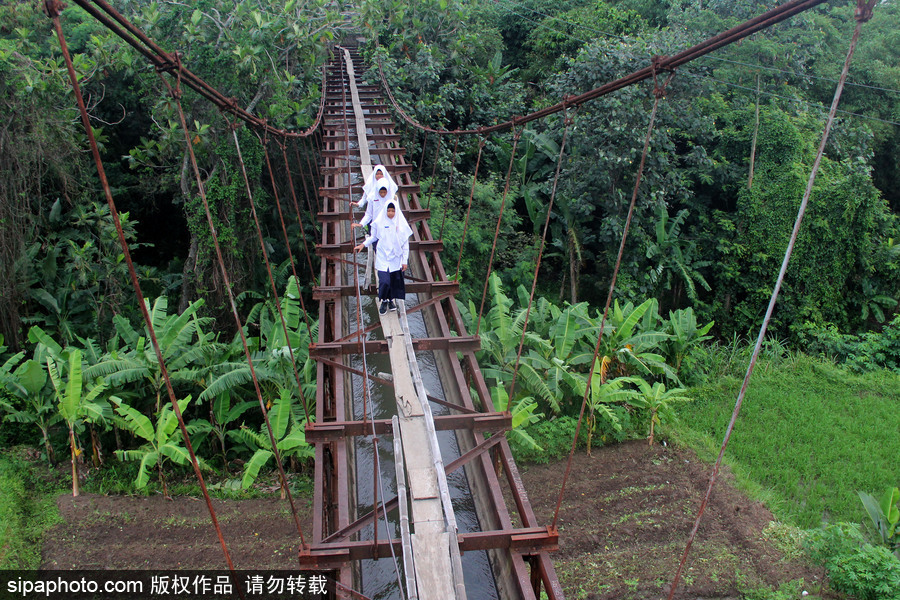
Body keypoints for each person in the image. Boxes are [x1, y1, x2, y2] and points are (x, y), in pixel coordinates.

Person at [353, 200, 412, 315]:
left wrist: (404, 261)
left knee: (394, 281)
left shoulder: (401, 225)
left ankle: (390, 300)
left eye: (393, 211)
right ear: (385, 211)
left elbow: (405, 245)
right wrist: (363, 244)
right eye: (388, 210)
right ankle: (383, 301)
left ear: (396, 211)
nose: (390, 213)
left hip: (396, 258)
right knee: (385, 281)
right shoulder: (379, 222)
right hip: (383, 256)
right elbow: (373, 237)